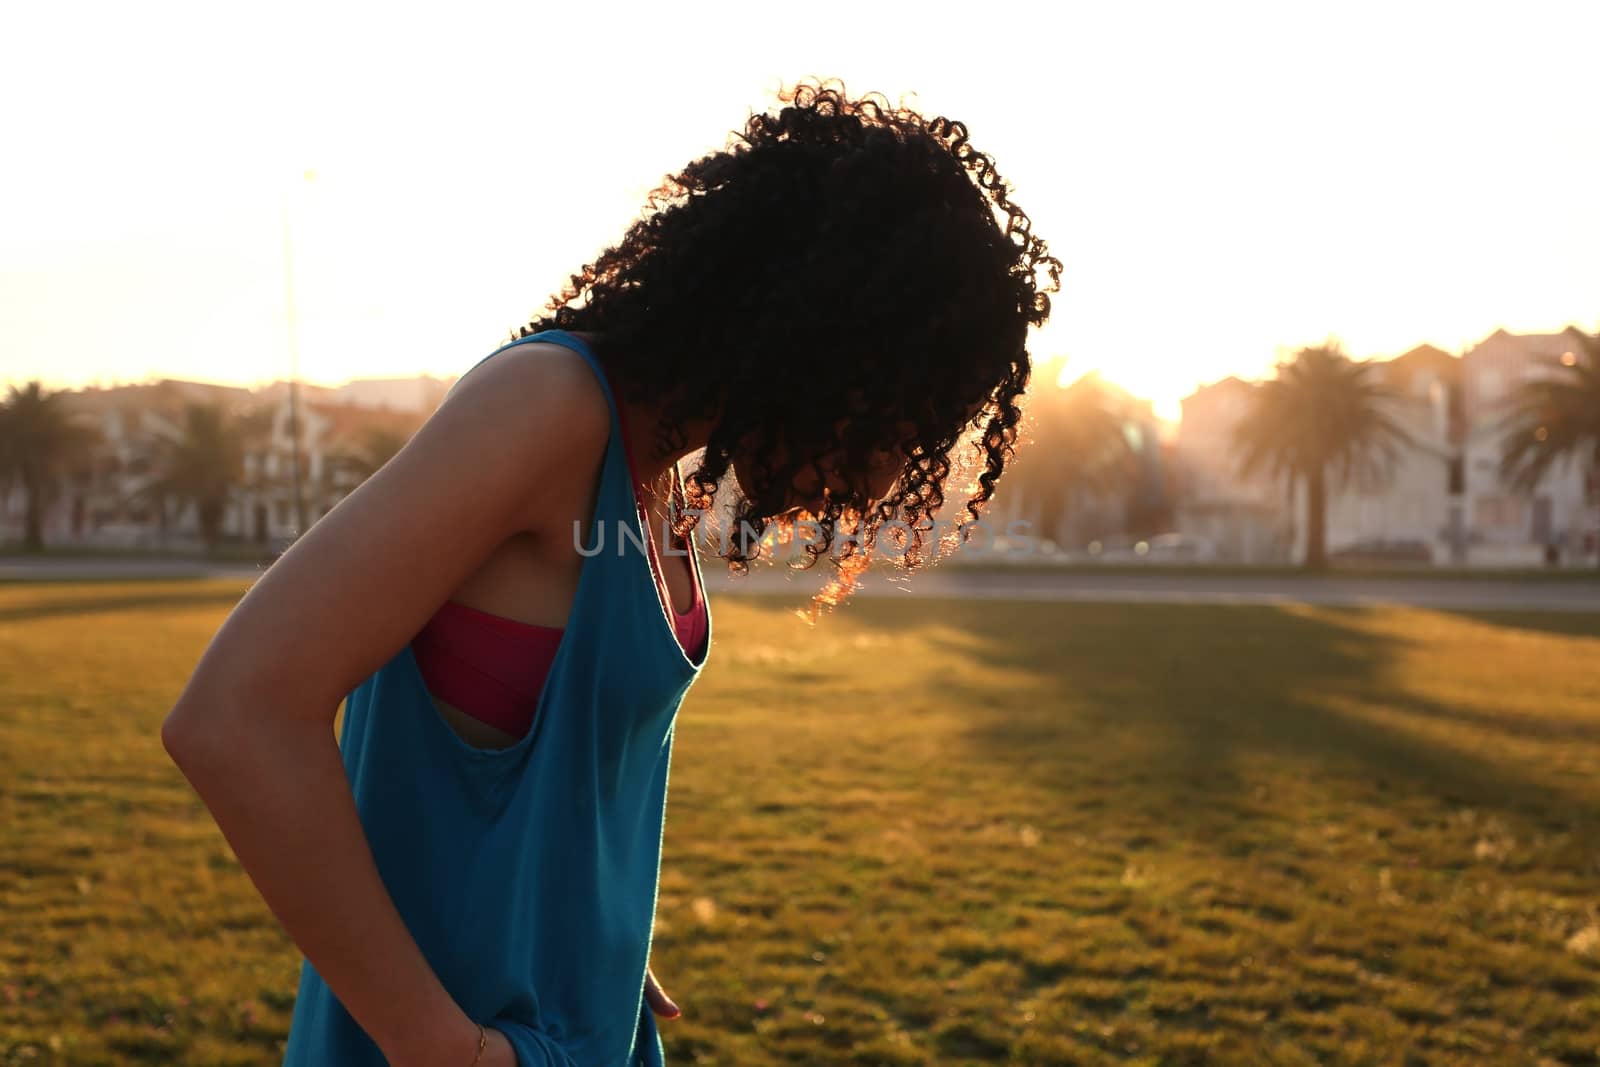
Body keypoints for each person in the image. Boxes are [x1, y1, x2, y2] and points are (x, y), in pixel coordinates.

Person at [160, 77, 1060, 1067]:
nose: (898, 464)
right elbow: (236, 714)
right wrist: (440, 1045)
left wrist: (594, 929)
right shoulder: (547, 406)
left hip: (586, 1024)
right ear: (831, 335)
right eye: (910, 411)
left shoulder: (655, 472)